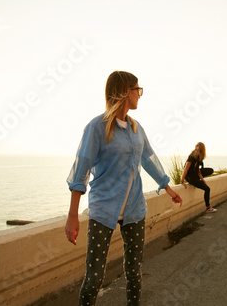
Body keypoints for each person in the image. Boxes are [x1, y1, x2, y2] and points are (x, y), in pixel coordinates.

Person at [65, 70, 183, 305]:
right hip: (103, 210)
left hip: (134, 209)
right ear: (124, 92)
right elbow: (81, 171)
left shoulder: (136, 128)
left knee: (134, 273)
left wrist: (167, 187)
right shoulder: (96, 127)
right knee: (94, 278)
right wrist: (72, 216)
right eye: (137, 90)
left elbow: (148, 158)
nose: (140, 95)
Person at [180, 142, 217, 213]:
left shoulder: (199, 158)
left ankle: (199, 180)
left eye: (201, 151)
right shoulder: (192, 157)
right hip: (190, 177)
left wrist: (202, 179)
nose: (199, 152)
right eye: (198, 150)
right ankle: (208, 208)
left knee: (210, 170)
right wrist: (182, 180)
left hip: (195, 175)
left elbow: (198, 170)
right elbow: (186, 169)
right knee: (207, 189)